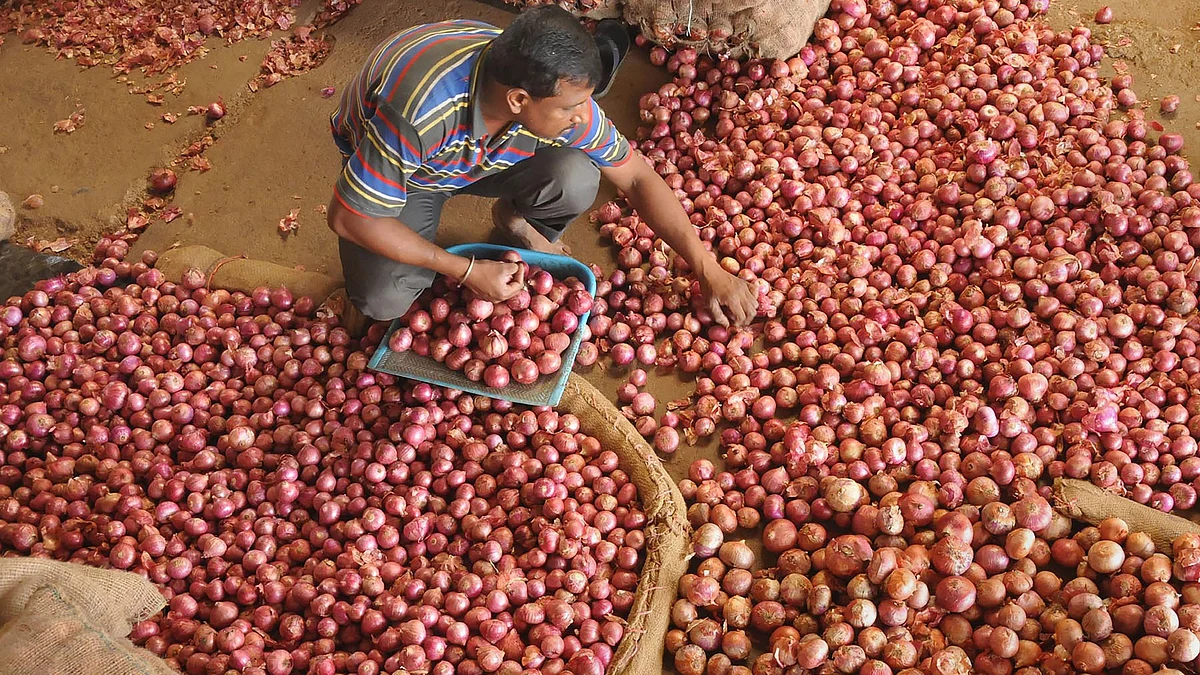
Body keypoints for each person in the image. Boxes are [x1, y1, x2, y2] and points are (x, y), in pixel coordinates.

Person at [325, 6, 758, 333]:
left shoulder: (556, 96)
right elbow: (348, 217)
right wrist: (466, 270)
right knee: (383, 298)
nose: (579, 116)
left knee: (577, 176)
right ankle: (362, 290)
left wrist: (707, 267)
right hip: (414, 173)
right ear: (518, 100)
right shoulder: (419, 112)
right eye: (569, 108)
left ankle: (513, 218)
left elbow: (638, 177)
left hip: (481, 152)